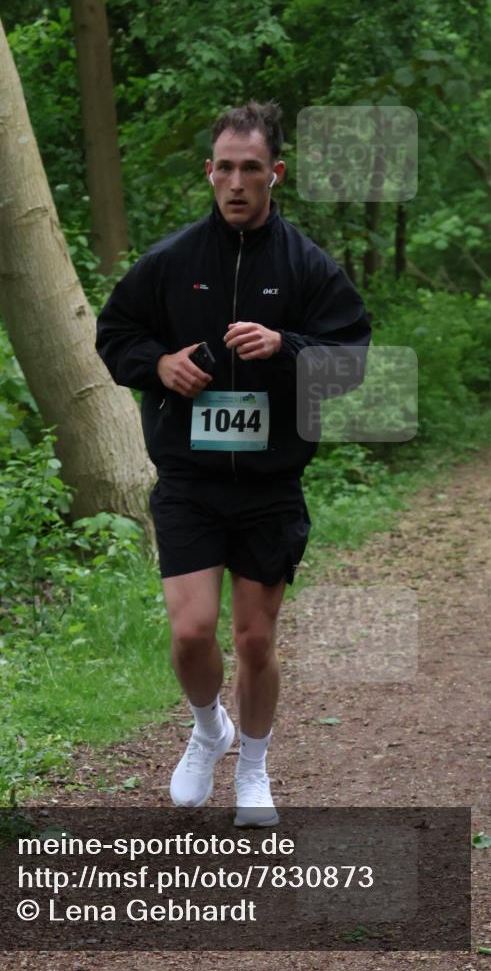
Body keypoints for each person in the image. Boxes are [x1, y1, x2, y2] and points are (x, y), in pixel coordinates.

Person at [96, 100, 371, 827]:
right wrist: (157, 365)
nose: (238, 182)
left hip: (269, 484)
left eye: (252, 168)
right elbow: (115, 334)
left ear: (275, 174)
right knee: (190, 633)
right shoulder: (171, 262)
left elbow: (351, 361)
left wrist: (287, 348)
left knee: (254, 639)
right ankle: (207, 728)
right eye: (225, 167)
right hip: (188, 478)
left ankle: (253, 770)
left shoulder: (308, 267)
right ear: (209, 173)